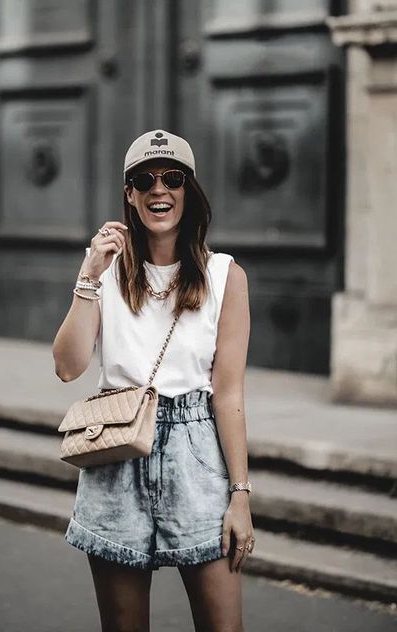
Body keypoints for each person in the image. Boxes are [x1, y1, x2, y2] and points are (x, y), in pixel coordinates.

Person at [52, 129, 254, 632]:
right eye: (145, 179)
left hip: (197, 454)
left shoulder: (225, 276)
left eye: (172, 178)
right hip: (117, 453)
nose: (158, 189)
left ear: (189, 189)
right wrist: (88, 273)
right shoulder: (108, 271)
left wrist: (241, 495)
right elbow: (68, 366)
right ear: (130, 194)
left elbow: (228, 396)